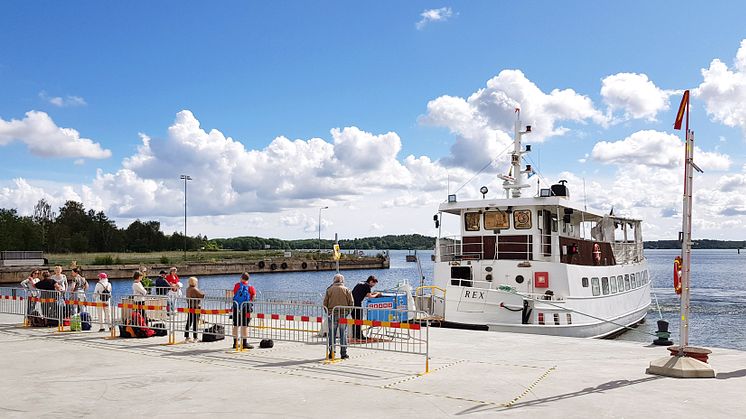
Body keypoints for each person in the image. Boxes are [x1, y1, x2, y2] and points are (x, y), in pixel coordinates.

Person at [323, 273, 354, 359]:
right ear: (342, 280)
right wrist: (347, 312)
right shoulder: (347, 289)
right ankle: (343, 353)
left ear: (334, 280)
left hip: (332, 314)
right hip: (343, 314)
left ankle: (331, 352)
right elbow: (351, 303)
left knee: (331, 334)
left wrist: (327, 312)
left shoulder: (329, 290)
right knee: (343, 333)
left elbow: (325, 303)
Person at [351, 275, 381, 340]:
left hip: (351, 303)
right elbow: (370, 296)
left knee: (355, 320)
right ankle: (359, 336)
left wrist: (372, 294)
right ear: (370, 281)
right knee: (359, 320)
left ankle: (354, 335)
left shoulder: (361, 283)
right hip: (357, 304)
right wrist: (377, 294)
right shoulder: (367, 286)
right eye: (373, 284)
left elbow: (363, 294)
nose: (373, 286)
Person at [231, 272, 256, 349]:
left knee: (235, 325)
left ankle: (235, 343)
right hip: (246, 307)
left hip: (236, 306)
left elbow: (234, 293)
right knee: (245, 325)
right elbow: (253, 297)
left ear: (241, 278)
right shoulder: (250, 287)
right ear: (248, 279)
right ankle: (244, 343)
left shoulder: (237, 285)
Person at [184, 277, 205, 343]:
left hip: (190, 306)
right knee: (195, 322)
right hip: (196, 307)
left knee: (189, 322)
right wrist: (203, 293)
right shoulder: (194, 289)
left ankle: (187, 336)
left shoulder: (187, 289)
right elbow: (202, 295)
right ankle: (195, 337)